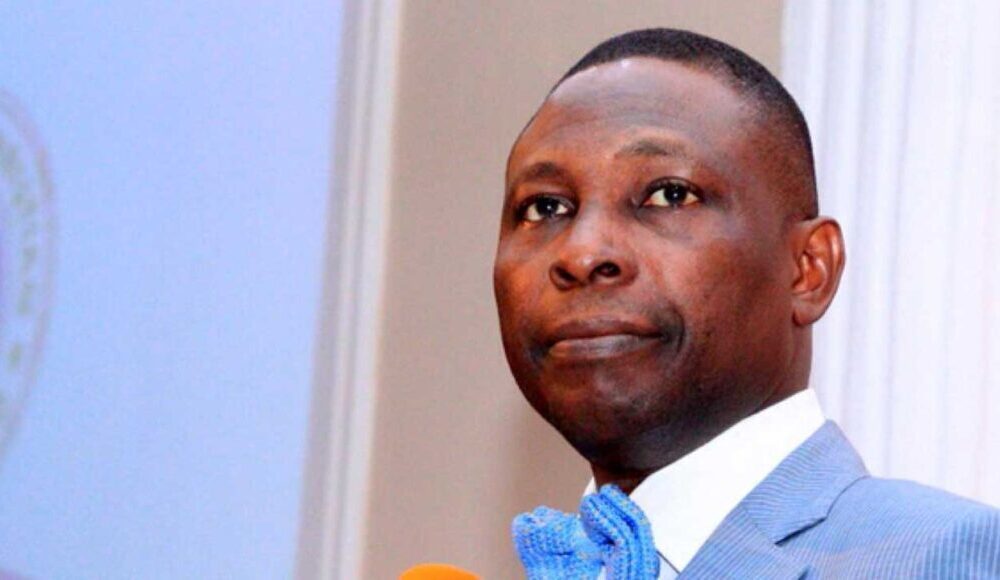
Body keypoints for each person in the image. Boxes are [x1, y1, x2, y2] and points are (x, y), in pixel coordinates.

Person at [493, 28, 1000, 579]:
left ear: (808, 269)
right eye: (545, 207)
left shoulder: (955, 558)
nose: (583, 253)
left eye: (670, 194)